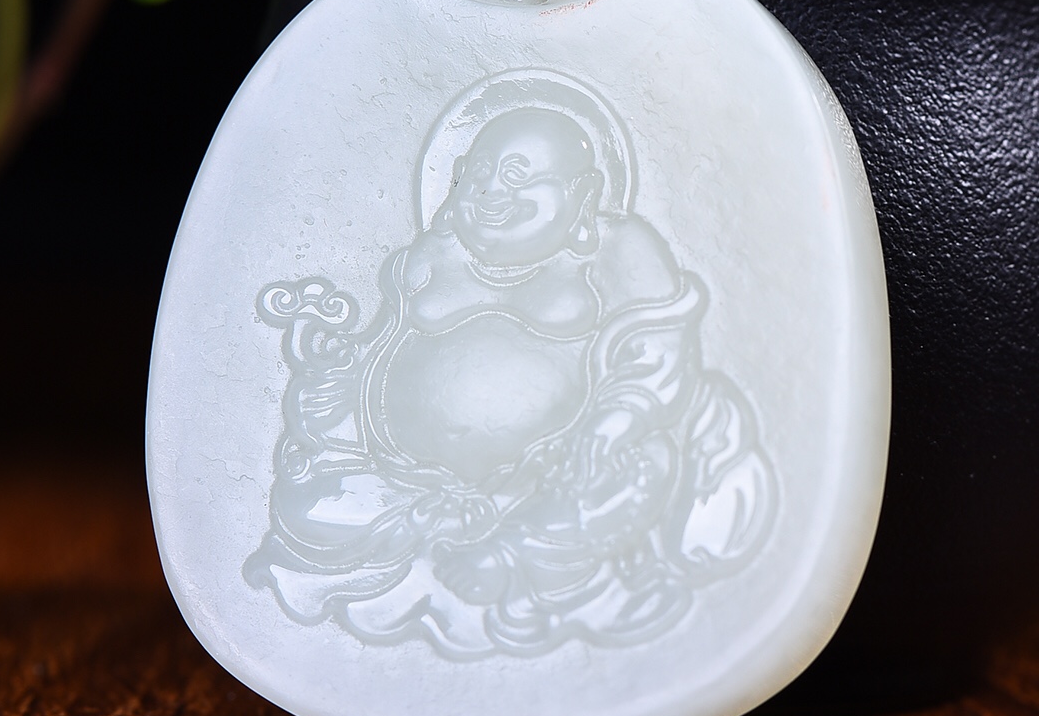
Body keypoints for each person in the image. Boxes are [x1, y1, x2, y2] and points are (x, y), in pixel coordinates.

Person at [246, 104, 774, 657]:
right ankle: (443, 525)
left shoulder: (620, 249)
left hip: (560, 470)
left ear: (582, 193)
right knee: (307, 504)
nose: (493, 191)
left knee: (645, 465)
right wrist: (338, 374)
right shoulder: (434, 253)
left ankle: (512, 550)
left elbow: (657, 349)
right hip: (414, 480)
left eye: (518, 176)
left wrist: (617, 421)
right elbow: (382, 351)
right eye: (480, 173)